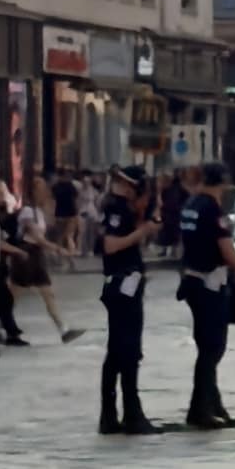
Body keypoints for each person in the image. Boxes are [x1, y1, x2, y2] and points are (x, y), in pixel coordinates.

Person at [176, 179, 235, 433]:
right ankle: (202, 410)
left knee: (206, 347)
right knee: (213, 349)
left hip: (191, 280)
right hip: (210, 283)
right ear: (222, 185)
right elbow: (227, 251)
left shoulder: (190, 205)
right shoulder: (214, 211)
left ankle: (211, 406)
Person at [92, 184, 153, 437]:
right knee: (126, 351)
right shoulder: (119, 211)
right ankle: (128, 414)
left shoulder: (119, 210)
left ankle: (117, 414)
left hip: (125, 286)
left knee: (119, 352)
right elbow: (110, 245)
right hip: (122, 287)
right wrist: (142, 232)